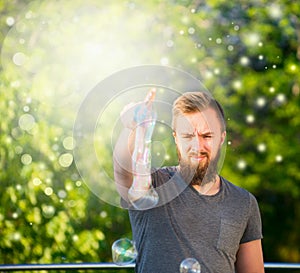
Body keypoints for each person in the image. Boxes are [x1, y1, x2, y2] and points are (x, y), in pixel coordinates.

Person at [113, 90, 264, 273]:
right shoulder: (152, 186)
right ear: (176, 138)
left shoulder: (244, 203)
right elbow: (123, 170)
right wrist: (131, 127)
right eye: (187, 136)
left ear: (222, 138)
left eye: (207, 136)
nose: (197, 146)